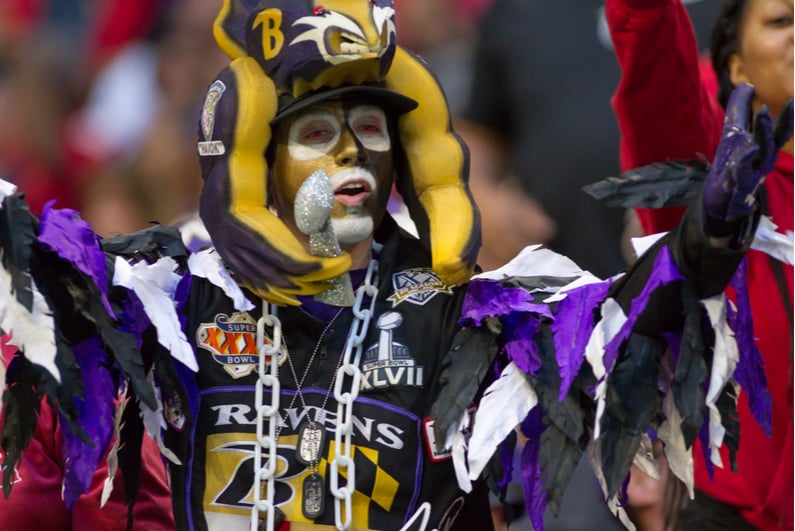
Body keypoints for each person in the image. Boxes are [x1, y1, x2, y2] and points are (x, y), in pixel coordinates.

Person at [0, 2, 787, 531]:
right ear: (251, 160)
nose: (352, 152)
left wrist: (704, 238)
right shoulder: (160, 309)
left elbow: (628, 329)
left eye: (371, 127)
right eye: (317, 134)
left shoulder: (474, 317)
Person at [606, 0, 793, 529]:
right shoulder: (719, 188)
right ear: (737, 69)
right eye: (782, 22)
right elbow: (661, 89)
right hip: (737, 515)